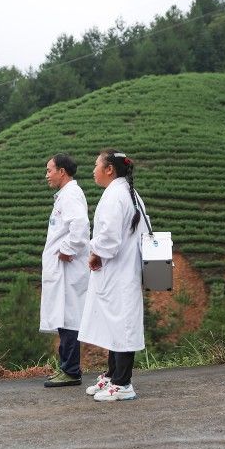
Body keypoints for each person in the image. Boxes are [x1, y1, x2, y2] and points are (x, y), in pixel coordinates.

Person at [79, 149, 149, 402]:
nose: (93, 170)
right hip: (121, 271)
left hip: (118, 272)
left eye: (96, 165)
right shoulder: (127, 193)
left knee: (122, 326)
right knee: (115, 324)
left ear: (110, 169)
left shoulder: (114, 196)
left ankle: (123, 384)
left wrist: (94, 252)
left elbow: (108, 240)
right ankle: (112, 375)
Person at [39, 154, 90, 387]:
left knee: (69, 318)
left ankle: (70, 370)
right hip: (62, 270)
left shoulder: (71, 195)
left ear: (62, 171)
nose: (47, 175)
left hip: (68, 269)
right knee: (64, 317)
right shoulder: (64, 196)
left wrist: (65, 250)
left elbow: (80, 228)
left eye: (49, 170)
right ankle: (66, 368)